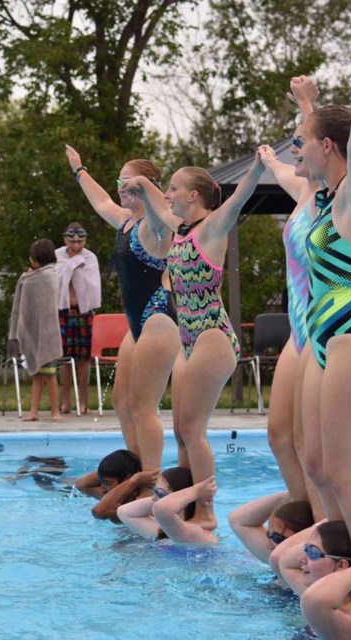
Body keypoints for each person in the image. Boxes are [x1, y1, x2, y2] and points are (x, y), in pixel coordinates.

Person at [292, 54, 351, 619]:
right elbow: (326, 150)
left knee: (344, 473)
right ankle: (337, 562)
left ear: (327, 148)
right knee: (316, 462)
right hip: (320, 340)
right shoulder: (324, 202)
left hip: (349, 339)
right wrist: (309, 106)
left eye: (302, 141)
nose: (296, 149)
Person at [123, 155, 265, 533]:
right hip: (188, 338)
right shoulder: (179, 227)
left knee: (193, 428)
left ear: (195, 194)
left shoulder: (212, 228)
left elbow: (241, 196)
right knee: (181, 429)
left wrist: (260, 166)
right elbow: (155, 199)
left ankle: (206, 509)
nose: (167, 194)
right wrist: (139, 182)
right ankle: (185, 499)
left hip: (212, 336)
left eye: (174, 188)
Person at [64, 146, 179, 478]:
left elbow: (164, 209)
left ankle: (151, 480)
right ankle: (135, 467)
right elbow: (100, 202)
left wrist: (145, 183)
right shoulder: (127, 221)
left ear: (146, 187)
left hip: (159, 319)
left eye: (129, 183)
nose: (121, 188)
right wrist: (79, 169)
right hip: (138, 324)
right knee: (121, 401)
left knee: (144, 407)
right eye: (121, 182)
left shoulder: (157, 226)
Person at [255, 75, 323, 518]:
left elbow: (335, 143)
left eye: (300, 143)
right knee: (279, 434)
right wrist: (268, 158)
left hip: (323, 329)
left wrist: (307, 102)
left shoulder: (332, 198)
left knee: (309, 443)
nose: (294, 149)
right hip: (298, 331)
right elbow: (283, 169)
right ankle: (304, 515)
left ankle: (325, 527)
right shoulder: (302, 193)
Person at [280, 521, 351, 639]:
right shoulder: (325, 605)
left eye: (312, 552)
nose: (301, 559)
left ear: (341, 566)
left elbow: (313, 601)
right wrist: (322, 524)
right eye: (305, 549)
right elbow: (284, 562)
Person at [9, 239, 62, 422]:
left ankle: (56, 411)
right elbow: (26, 307)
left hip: (48, 334)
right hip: (34, 332)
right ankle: (33, 411)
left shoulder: (48, 277)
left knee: (50, 374)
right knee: (37, 374)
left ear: (35, 258)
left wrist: (27, 277)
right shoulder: (31, 277)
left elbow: (47, 305)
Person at [55, 222, 101, 414]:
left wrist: (74, 264)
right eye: (72, 241)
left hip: (83, 313)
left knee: (84, 359)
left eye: (80, 242)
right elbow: (56, 281)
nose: (76, 246)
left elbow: (91, 286)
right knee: (64, 359)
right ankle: (66, 402)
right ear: (65, 240)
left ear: (85, 240)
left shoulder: (90, 258)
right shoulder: (57, 256)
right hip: (63, 312)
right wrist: (73, 263)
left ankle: (83, 403)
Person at [116, 467, 217, 545]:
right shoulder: (164, 531)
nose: (153, 499)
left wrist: (197, 491)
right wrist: (160, 496)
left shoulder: (198, 535)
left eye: (160, 494)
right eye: (154, 491)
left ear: (185, 501)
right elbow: (123, 512)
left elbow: (162, 509)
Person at [229, 493, 314, 564]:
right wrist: (292, 493)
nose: (268, 546)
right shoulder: (278, 558)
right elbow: (238, 520)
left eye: (277, 538)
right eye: (268, 534)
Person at [74, 449, 146, 521]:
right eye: (100, 482)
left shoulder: (137, 502)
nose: (102, 489)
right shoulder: (112, 497)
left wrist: (134, 480)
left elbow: (98, 512)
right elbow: (81, 485)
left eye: (107, 483)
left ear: (127, 479)